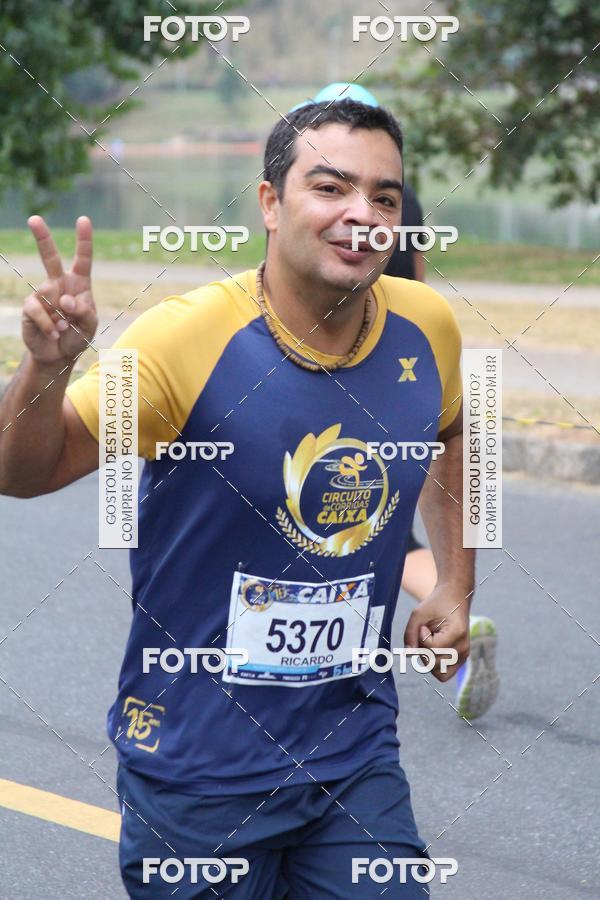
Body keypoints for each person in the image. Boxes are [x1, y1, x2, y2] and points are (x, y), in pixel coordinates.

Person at [0, 97, 471, 897]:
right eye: (330, 187)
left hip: (353, 758)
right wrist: (47, 371)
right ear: (269, 202)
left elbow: (458, 432)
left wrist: (458, 582)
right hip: (195, 773)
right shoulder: (184, 340)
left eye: (385, 197)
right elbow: (24, 471)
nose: (362, 213)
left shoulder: (426, 326)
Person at [312, 84, 500, 721]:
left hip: (350, 363)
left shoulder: (318, 195)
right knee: (388, 509)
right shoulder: (405, 196)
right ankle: (455, 614)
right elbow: (418, 281)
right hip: (404, 363)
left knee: (355, 514)